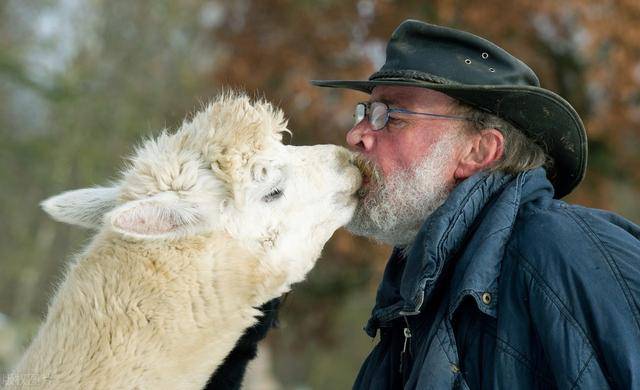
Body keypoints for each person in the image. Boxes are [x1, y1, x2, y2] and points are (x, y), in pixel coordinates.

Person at [206, 19, 640, 389]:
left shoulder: (563, 251)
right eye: (365, 112)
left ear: (478, 152)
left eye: (390, 116)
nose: (356, 136)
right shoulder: (408, 313)